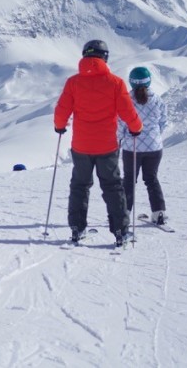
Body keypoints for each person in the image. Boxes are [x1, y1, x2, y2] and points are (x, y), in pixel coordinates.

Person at [53, 40, 143, 246]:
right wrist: (136, 127)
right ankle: (120, 232)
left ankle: (77, 229)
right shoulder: (115, 82)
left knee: (79, 186)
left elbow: (62, 109)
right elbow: (127, 111)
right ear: (105, 57)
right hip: (106, 146)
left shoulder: (73, 82)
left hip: (81, 146)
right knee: (112, 187)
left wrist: (60, 126)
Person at [118, 67, 169, 224]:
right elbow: (163, 122)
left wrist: (119, 140)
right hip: (154, 148)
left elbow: (120, 124)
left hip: (132, 147)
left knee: (129, 180)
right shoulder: (158, 99)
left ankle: (124, 213)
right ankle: (159, 213)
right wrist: (153, 137)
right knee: (151, 179)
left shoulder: (125, 99)